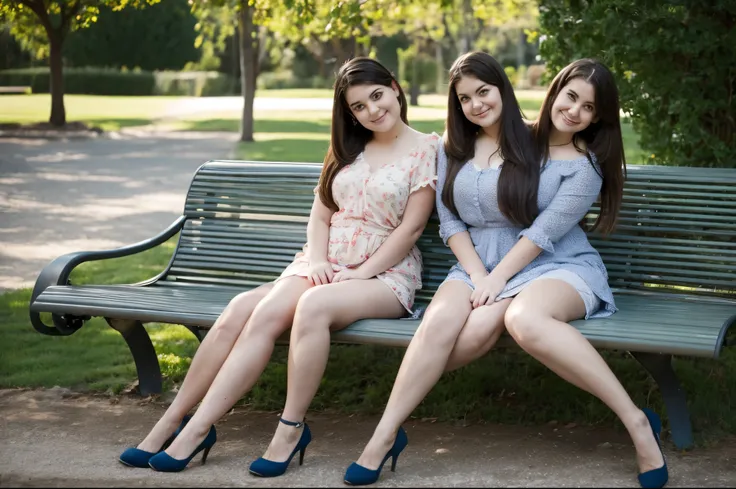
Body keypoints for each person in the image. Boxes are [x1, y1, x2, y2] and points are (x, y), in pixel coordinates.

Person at [348, 55, 668, 489]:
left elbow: (542, 233)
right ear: (555, 92)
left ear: (599, 116)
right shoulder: (484, 143)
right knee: (447, 323)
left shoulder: (579, 164)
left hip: (554, 264)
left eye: (588, 107)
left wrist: (497, 282)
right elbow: (451, 220)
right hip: (477, 264)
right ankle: (384, 436)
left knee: (522, 320)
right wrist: (481, 275)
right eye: (570, 97)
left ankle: (636, 422)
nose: (574, 111)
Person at [117, 56, 440, 475]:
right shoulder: (348, 147)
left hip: (383, 274)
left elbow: (411, 229)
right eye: (359, 106)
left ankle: (289, 429)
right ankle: (179, 423)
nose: (372, 111)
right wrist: (319, 259)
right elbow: (320, 215)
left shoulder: (426, 149)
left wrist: (359, 272)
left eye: (377, 96)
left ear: (395, 88)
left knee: (314, 307)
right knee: (243, 310)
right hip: (323, 263)